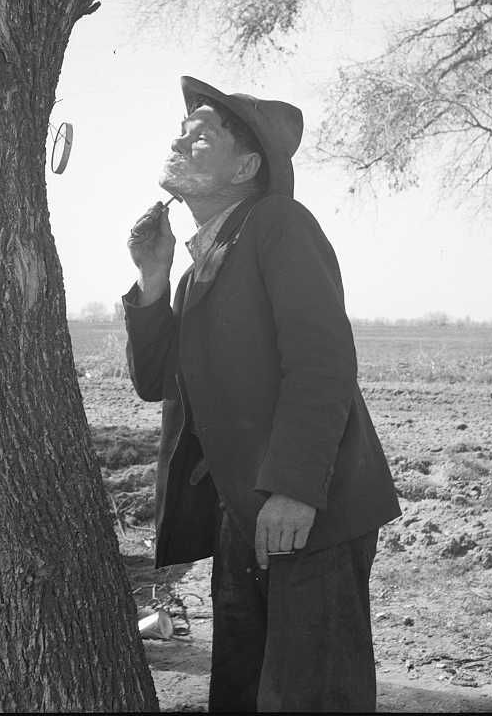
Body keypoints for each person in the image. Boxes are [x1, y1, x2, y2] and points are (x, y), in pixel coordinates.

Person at [123, 76, 401, 713]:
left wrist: (295, 489)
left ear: (247, 165)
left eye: (202, 136)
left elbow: (323, 364)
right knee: (245, 692)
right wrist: (153, 277)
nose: (180, 139)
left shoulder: (277, 224)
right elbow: (155, 382)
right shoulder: (199, 266)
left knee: (310, 694)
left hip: (309, 510)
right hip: (243, 516)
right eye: (182, 131)